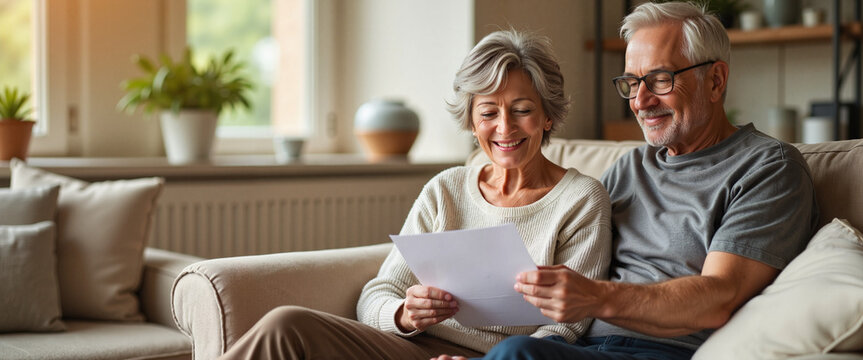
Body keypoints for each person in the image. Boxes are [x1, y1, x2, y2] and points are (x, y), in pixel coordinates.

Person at [216, 29, 613, 360]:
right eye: (488, 112)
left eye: (522, 109)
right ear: (473, 123)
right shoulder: (447, 189)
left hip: (496, 357)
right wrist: (405, 314)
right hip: (410, 345)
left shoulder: (580, 199)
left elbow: (569, 324)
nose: (504, 127)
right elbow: (378, 293)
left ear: (548, 116)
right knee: (286, 325)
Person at [453, 2, 819, 360]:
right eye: (631, 82)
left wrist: (598, 297)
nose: (640, 101)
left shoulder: (767, 168)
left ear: (716, 80)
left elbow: (719, 297)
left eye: (660, 80)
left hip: (665, 350)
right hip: (578, 347)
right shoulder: (629, 169)